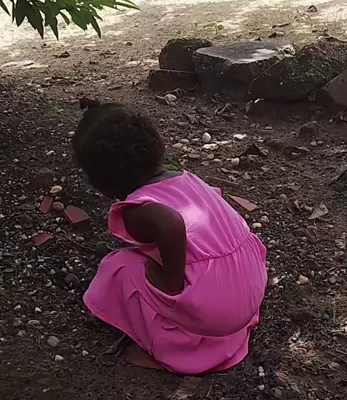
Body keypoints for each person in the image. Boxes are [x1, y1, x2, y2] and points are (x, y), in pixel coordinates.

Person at [72, 99, 267, 374]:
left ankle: (173, 348)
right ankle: (215, 328)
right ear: (161, 145)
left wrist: (170, 283)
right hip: (249, 288)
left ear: (103, 186)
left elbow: (171, 224)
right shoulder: (189, 180)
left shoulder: (138, 210)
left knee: (118, 267)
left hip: (216, 309)